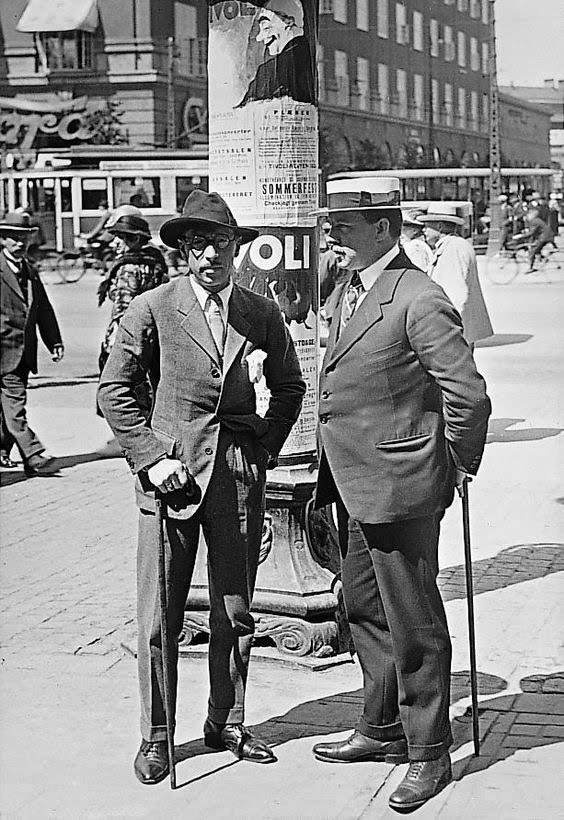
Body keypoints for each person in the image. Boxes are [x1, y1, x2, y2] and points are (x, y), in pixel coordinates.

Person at [98, 190, 305, 785]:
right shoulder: (153, 308)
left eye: (219, 242)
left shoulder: (259, 312)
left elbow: (290, 386)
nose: (210, 254)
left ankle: (226, 721)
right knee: (160, 613)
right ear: (184, 252)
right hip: (172, 478)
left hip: (236, 476)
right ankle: (157, 735)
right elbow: (115, 391)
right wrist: (151, 458)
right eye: (197, 244)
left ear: (236, 248)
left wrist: (262, 448)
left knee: (234, 609)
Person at [311, 177, 491, 812]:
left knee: (414, 621)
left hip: (401, 485)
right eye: (331, 224)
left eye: (344, 226)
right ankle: (382, 724)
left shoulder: (419, 296)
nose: (332, 235)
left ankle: (429, 751)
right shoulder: (349, 286)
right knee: (364, 608)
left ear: (383, 228)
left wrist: (455, 465)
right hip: (354, 481)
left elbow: (467, 394)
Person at [0, 211, 64, 474]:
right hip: (3, 347)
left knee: (9, 404)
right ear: (2, 239)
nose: (20, 243)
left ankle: (3, 450)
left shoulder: (29, 270)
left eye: (24, 238)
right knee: (13, 404)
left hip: (22, 351)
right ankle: (33, 455)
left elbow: (43, 309)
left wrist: (54, 341)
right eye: (14, 238)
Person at [97, 214, 167, 378]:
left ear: (135, 239)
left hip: (130, 337)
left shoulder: (128, 268)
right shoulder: (154, 262)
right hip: (153, 333)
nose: (114, 243)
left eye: (120, 237)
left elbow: (123, 312)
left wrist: (114, 346)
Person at [420, 203, 493, 347]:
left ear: (440, 226)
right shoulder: (454, 245)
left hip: (453, 332)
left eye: (427, 225)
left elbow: (456, 294)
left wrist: (450, 330)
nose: (424, 230)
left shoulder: (453, 248)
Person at [236, 0, 315, 108]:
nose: (259, 37)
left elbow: (245, 109)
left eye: (266, 28)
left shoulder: (270, 70)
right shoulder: (309, 57)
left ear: (289, 22)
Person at [521, 207, 555, 272]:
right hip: (546, 236)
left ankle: (530, 267)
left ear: (532, 215)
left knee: (532, 250)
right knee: (536, 248)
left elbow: (532, 232)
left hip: (544, 237)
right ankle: (542, 258)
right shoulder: (537, 220)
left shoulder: (534, 221)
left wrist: (521, 236)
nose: (527, 216)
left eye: (528, 215)